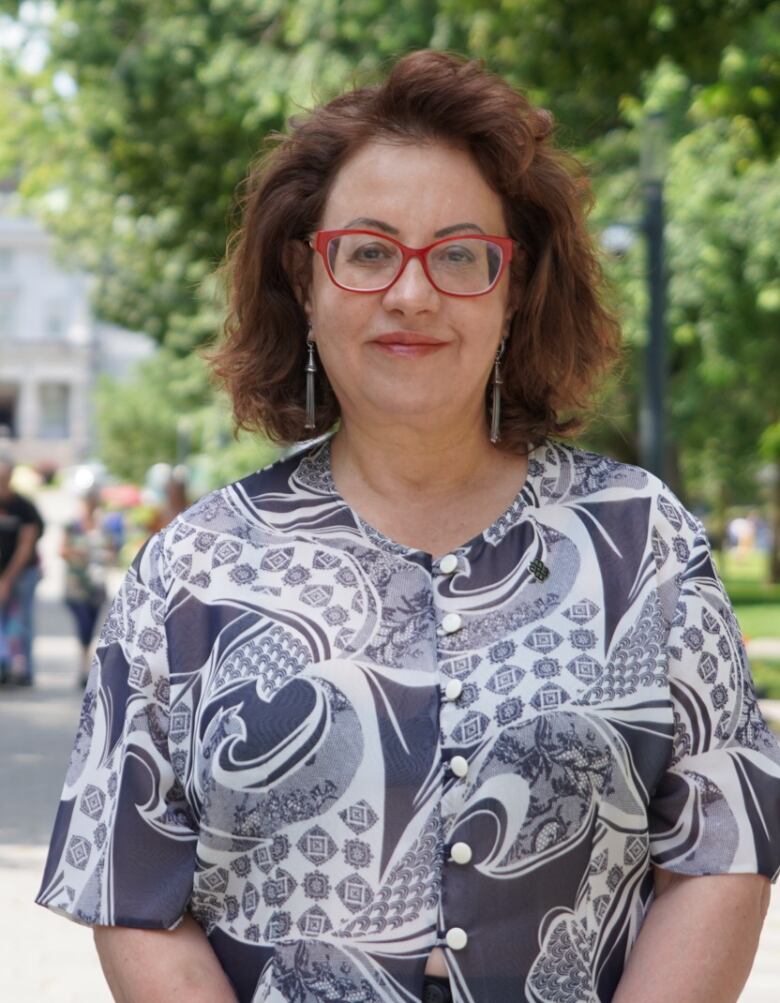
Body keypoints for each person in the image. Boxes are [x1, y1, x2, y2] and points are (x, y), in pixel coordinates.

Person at [36, 51, 780, 1003]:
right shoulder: (190, 571)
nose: (412, 293)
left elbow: (722, 850)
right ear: (307, 281)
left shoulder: (645, 544)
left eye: (461, 254)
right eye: (370, 249)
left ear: (515, 291)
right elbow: (130, 888)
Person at [60, 485, 118, 688]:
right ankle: (84, 666)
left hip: (96, 585)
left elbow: (113, 552)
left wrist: (104, 556)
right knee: (83, 625)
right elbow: (63, 550)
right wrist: (82, 555)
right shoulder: (72, 525)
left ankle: (87, 667)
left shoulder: (104, 527)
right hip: (76, 585)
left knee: (92, 626)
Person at [0, 455, 44, 686]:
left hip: (23, 571)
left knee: (22, 620)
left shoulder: (24, 508)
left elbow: (26, 546)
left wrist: (7, 580)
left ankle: (25, 670)